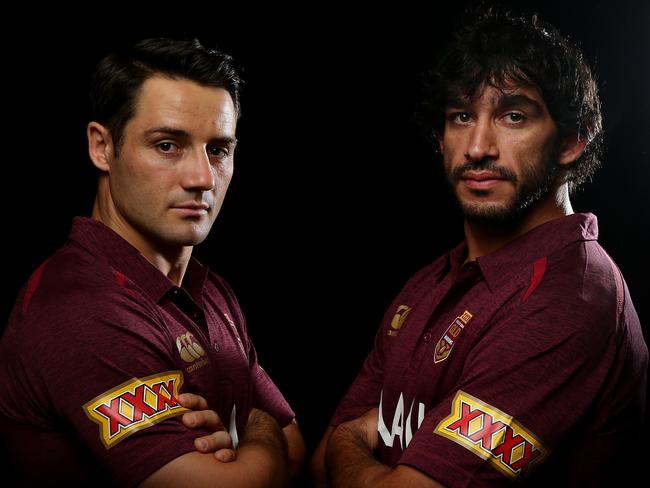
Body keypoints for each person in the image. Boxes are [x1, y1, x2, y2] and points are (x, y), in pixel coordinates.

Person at [311, 8, 648, 487]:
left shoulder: (571, 298)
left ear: (572, 141)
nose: (477, 147)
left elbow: (340, 450)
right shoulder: (432, 281)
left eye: (513, 116)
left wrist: (350, 443)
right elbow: (317, 468)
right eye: (461, 116)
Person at [0, 38, 304, 487]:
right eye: (167, 145)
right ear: (102, 147)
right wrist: (258, 430)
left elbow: (297, 447)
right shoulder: (80, 312)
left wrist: (256, 444)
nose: (201, 178)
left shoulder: (208, 289)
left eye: (218, 150)